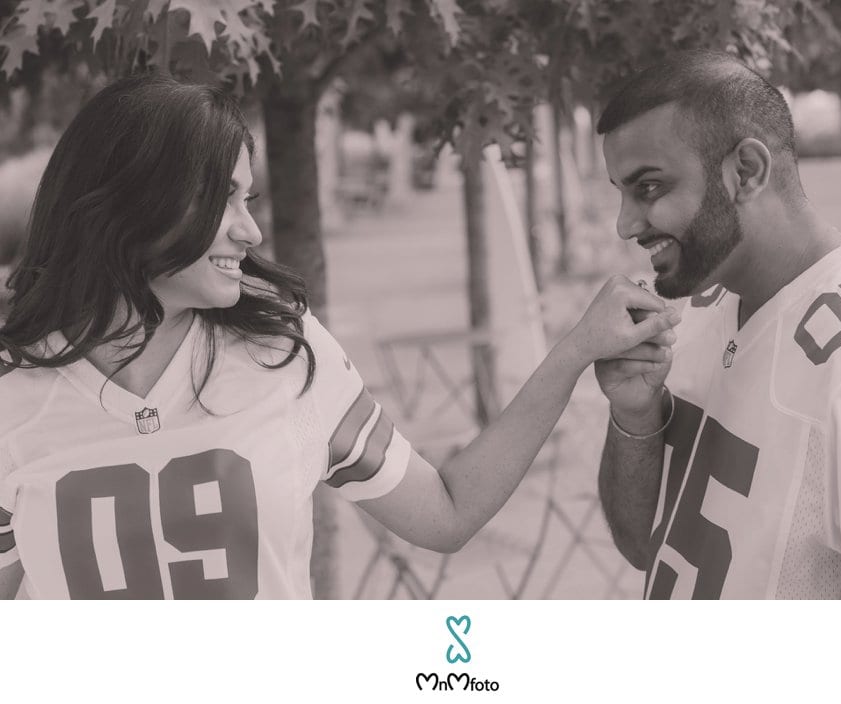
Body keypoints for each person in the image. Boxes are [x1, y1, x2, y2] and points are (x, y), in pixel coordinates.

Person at [0, 73, 678, 599]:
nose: (250, 230)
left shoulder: (284, 355)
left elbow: (445, 513)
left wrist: (574, 350)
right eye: (223, 200)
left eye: (249, 199)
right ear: (132, 201)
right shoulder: (12, 391)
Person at [594, 49, 841, 599]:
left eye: (650, 187)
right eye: (621, 192)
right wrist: (634, 416)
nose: (625, 225)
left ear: (747, 171)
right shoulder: (708, 298)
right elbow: (644, 544)